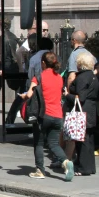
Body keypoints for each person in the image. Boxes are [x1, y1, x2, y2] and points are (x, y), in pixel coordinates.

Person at [20, 52, 73, 180]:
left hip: (43, 115)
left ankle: (40, 171)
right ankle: (66, 162)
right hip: (58, 115)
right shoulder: (59, 78)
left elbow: (29, 94)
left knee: (38, 143)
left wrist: (23, 96)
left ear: (43, 63)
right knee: (54, 143)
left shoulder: (38, 77)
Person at [64, 52, 99, 176]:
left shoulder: (82, 77)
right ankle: (90, 167)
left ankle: (83, 167)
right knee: (88, 139)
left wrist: (67, 95)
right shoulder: (93, 76)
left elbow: (80, 97)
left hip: (82, 110)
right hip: (91, 110)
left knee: (81, 140)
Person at [0, 17, 21, 108]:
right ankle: (18, 107)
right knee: (17, 86)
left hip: (6, 65)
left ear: (1, 25)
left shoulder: (2, 37)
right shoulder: (13, 36)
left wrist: (1, 68)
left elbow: (3, 53)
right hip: (13, 65)